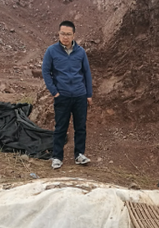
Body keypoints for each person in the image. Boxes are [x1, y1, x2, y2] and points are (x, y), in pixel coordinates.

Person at [42, 20, 93, 170]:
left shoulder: (81, 52)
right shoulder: (51, 51)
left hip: (79, 95)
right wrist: (54, 92)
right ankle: (57, 157)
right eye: (62, 34)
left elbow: (86, 73)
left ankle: (79, 155)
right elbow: (46, 72)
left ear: (74, 35)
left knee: (80, 127)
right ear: (58, 33)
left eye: (68, 34)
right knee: (60, 127)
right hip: (62, 95)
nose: (65, 37)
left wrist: (88, 94)